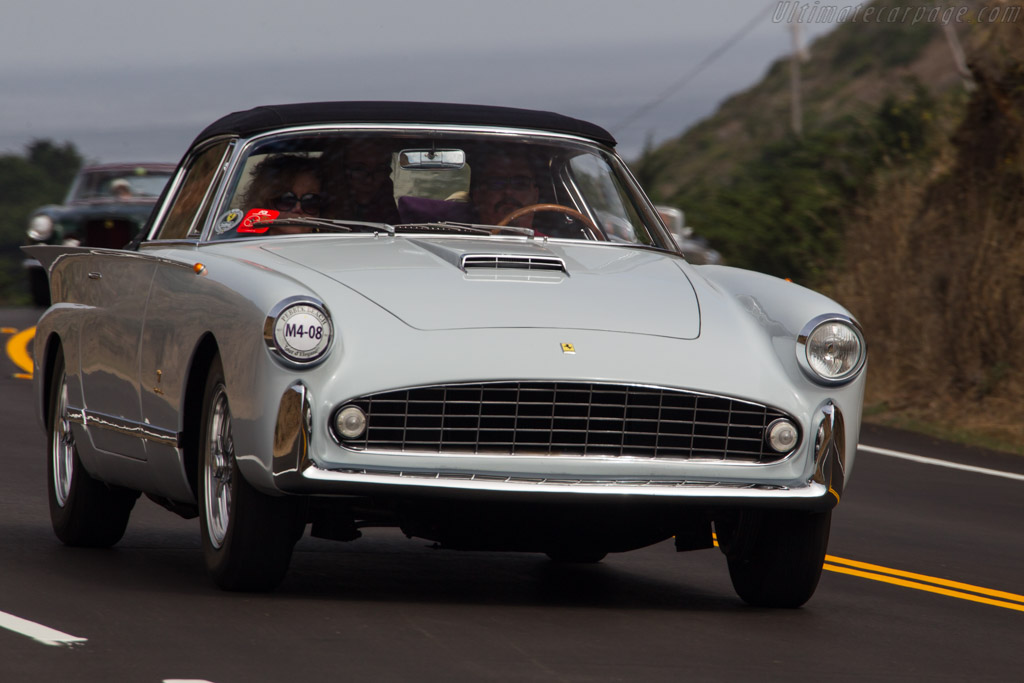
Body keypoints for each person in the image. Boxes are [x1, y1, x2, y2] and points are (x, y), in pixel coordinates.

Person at [240, 154, 323, 234]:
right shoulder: (238, 244)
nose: (298, 208)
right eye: (287, 199)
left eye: (310, 202)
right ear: (265, 202)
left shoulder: (331, 246)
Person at [469, 152, 540, 229]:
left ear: (535, 196)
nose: (508, 191)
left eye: (520, 183)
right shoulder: (459, 240)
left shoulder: (552, 241)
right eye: (496, 183)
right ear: (477, 196)